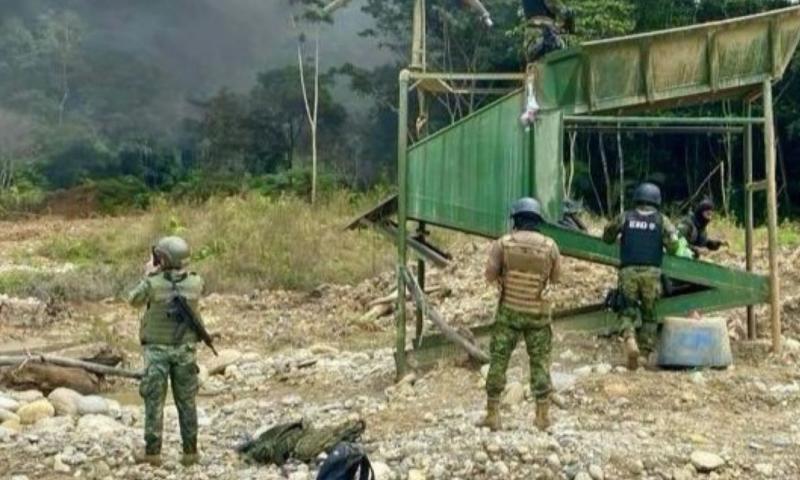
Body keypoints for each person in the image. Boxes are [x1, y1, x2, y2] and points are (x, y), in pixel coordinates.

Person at [483, 197, 561, 431]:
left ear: (516, 219)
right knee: (540, 363)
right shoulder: (550, 246)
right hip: (538, 314)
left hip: (509, 312)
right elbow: (556, 279)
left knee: (498, 361)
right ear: (537, 219)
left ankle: (493, 415)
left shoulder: (503, 244)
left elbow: (489, 275)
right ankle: (542, 417)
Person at [128, 236, 206, 467]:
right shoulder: (195, 282)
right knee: (187, 402)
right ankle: (190, 452)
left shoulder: (152, 283)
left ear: (163, 259)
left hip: (157, 351)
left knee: (154, 402)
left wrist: (148, 273)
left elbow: (133, 300)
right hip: (185, 351)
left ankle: (153, 453)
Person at [602, 183, 679, 370]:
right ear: (656, 200)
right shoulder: (662, 220)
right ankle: (644, 355)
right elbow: (674, 245)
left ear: (637, 198)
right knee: (650, 315)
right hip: (652, 273)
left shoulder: (625, 217)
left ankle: (629, 337)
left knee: (626, 310)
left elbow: (607, 236)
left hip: (627, 272)